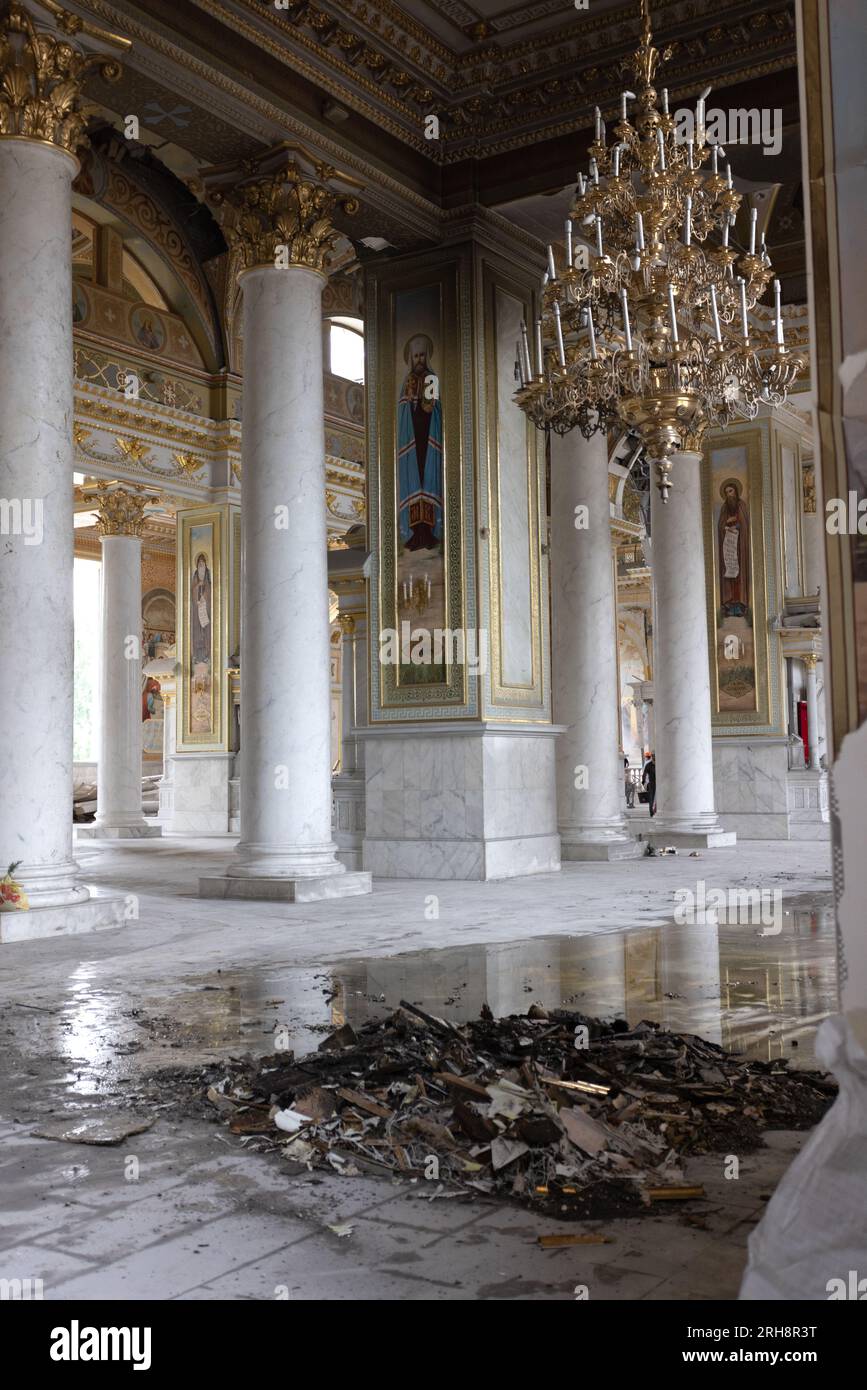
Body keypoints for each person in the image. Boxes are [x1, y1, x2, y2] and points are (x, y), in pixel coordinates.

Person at [642, 752, 656, 817]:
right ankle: (651, 813)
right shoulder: (649, 765)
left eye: (654, 756)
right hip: (652, 784)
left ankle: (656, 811)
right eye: (653, 756)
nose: (654, 758)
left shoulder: (659, 764)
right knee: (651, 798)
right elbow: (644, 774)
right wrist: (643, 781)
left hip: (659, 784)